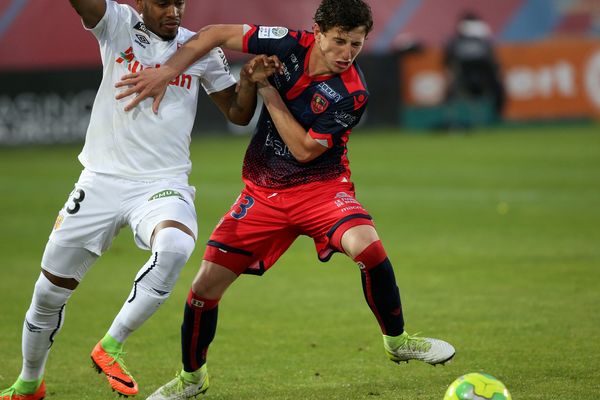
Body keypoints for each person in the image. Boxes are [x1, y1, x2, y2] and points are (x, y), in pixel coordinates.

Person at [117, 0, 456, 398]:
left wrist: (264, 87)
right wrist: (167, 72)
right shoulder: (285, 44)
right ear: (317, 31)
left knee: (369, 248)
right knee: (203, 290)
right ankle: (192, 379)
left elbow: (304, 150)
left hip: (322, 189)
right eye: (339, 41)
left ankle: (398, 341)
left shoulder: (353, 93)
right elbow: (213, 35)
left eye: (357, 45)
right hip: (263, 193)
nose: (346, 54)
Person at [0, 0, 272, 399]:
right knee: (48, 293)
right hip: (100, 182)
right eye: (163, 3)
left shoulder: (198, 49)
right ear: (141, 2)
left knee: (177, 245)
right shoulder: (118, 24)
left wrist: (249, 81)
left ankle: (111, 344)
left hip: (162, 184)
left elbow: (237, 113)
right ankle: (29, 382)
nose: (174, 11)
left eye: (180, 2)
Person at [444, 11, 506, 125]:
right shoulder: (457, 41)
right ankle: (452, 120)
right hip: (465, 79)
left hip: (480, 79)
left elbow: (492, 63)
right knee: (452, 92)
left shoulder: (481, 40)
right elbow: (447, 61)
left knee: (497, 89)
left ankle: (496, 117)